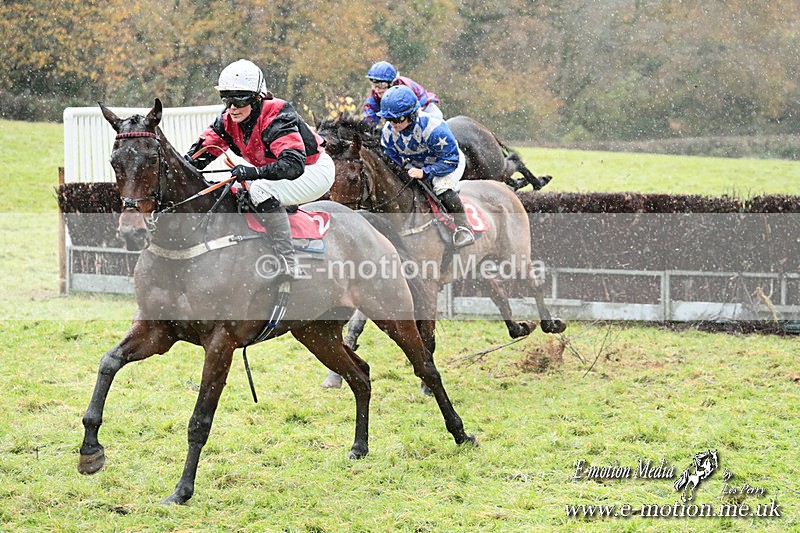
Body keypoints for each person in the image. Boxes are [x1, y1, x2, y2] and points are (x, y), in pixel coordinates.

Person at [185, 59, 335, 281]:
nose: (232, 107)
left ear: (257, 99)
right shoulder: (227, 120)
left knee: (259, 190)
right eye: (226, 99)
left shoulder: (277, 115)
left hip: (313, 170)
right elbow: (195, 159)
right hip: (281, 172)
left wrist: (252, 173)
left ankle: (288, 262)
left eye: (239, 99)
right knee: (229, 190)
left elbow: (293, 165)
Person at [378, 85, 474, 249]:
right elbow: (392, 158)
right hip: (417, 164)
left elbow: (451, 159)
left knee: (441, 187)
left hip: (447, 161)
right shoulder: (388, 133)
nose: (393, 124)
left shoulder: (434, 129)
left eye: (398, 119)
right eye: (389, 119)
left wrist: (425, 172)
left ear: (412, 114)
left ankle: (463, 227)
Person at [363, 61, 442, 126]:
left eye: (381, 85)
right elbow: (370, 115)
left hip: (425, 108)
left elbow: (411, 115)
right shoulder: (376, 94)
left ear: (392, 83)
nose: (377, 90)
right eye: (374, 85)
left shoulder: (404, 89)